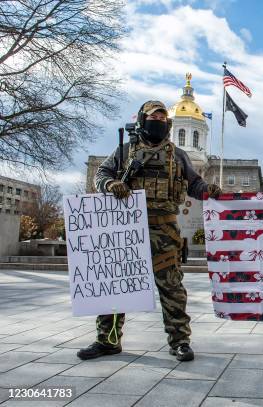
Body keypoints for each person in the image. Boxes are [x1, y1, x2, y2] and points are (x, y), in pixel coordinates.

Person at [77, 100, 221, 362]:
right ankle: (107, 340)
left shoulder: (177, 156)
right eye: (153, 116)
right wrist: (111, 184)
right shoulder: (124, 151)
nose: (159, 121)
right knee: (115, 287)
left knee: (172, 289)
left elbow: (195, 183)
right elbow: (100, 175)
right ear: (143, 121)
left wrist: (208, 190)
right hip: (126, 231)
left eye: (163, 118)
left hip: (164, 231)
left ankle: (180, 341)